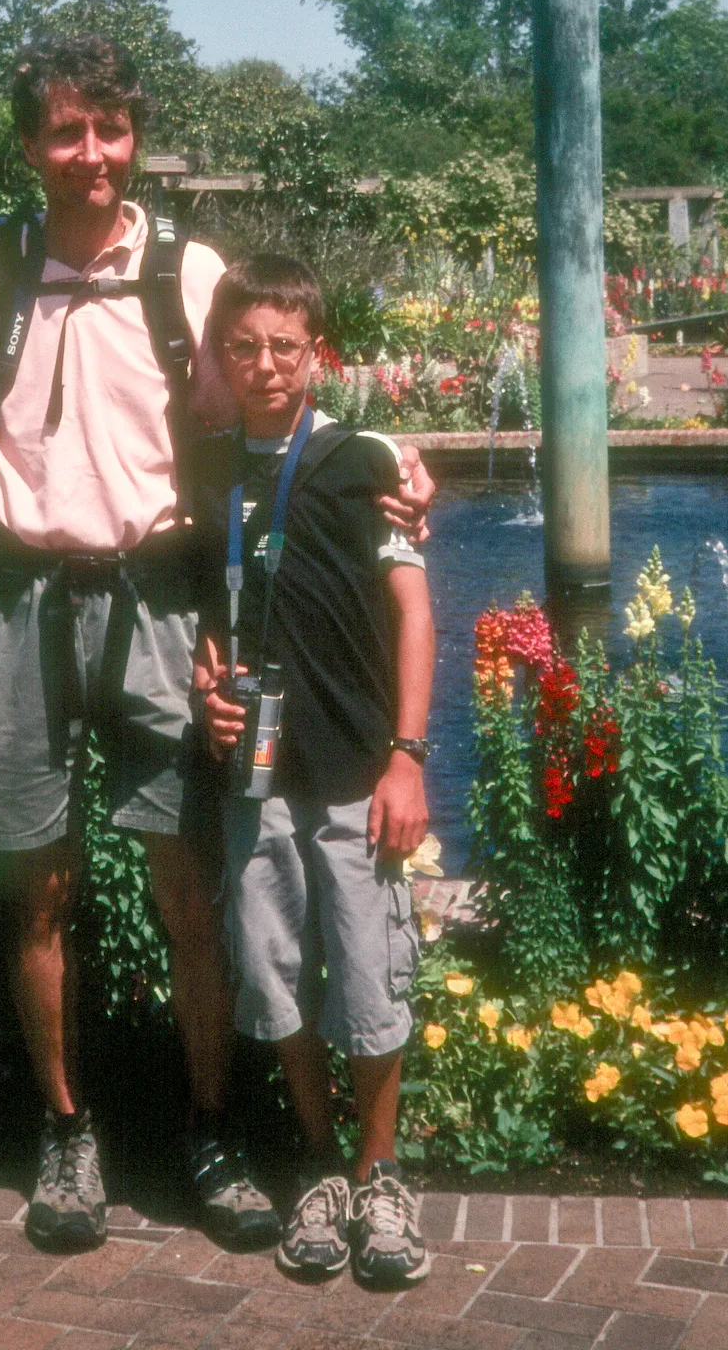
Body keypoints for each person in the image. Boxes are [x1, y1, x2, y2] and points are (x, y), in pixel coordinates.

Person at [0, 33, 438, 1252]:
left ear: (135, 137)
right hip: (19, 598)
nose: (91, 153)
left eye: (110, 129)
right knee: (37, 887)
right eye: (65, 130)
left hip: (159, 598)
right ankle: (65, 1128)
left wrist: (390, 463)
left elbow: (265, 410)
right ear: (29, 143)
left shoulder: (187, 270)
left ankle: (209, 1122)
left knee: (188, 883)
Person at [195, 255, 434, 1288]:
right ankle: (321, 1164)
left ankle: (380, 1172)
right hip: (255, 776)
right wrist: (206, 684)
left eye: (283, 347)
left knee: (369, 975)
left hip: (352, 769)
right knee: (273, 972)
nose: (264, 365)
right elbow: (206, 609)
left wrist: (406, 758)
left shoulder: (362, 460)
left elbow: (414, 612)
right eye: (243, 347)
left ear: (316, 353)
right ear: (218, 354)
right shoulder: (204, 468)